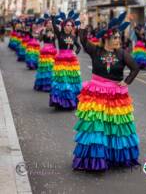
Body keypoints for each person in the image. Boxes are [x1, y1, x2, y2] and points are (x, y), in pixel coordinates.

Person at [73, 13, 140, 171]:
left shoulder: (122, 54)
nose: (118, 40)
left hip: (116, 96)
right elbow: (83, 41)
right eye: (115, 38)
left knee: (116, 127)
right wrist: (82, 25)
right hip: (96, 94)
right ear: (107, 39)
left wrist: (126, 81)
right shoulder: (96, 51)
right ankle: (94, 159)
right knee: (96, 127)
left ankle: (115, 158)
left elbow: (135, 68)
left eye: (119, 37)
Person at [49, 10, 82, 110]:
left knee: (71, 81)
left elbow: (79, 47)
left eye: (71, 25)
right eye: (67, 25)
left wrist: (75, 53)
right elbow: (54, 27)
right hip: (61, 61)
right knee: (62, 81)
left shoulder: (73, 36)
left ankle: (71, 101)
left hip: (71, 62)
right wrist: (53, 17)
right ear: (63, 26)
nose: (69, 27)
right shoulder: (60, 35)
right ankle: (60, 102)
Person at [34, 16, 57, 92]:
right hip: (45, 50)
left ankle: (51, 84)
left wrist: (55, 49)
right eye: (48, 23)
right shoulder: (43, 30)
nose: (50, 24)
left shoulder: (54, 31)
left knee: (52, 67)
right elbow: (39, 40)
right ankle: (44, 84)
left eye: (51, 23)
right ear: (46, 24)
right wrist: (43, 34)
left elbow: (55, 41)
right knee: (45, 67)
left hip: (52, 50)